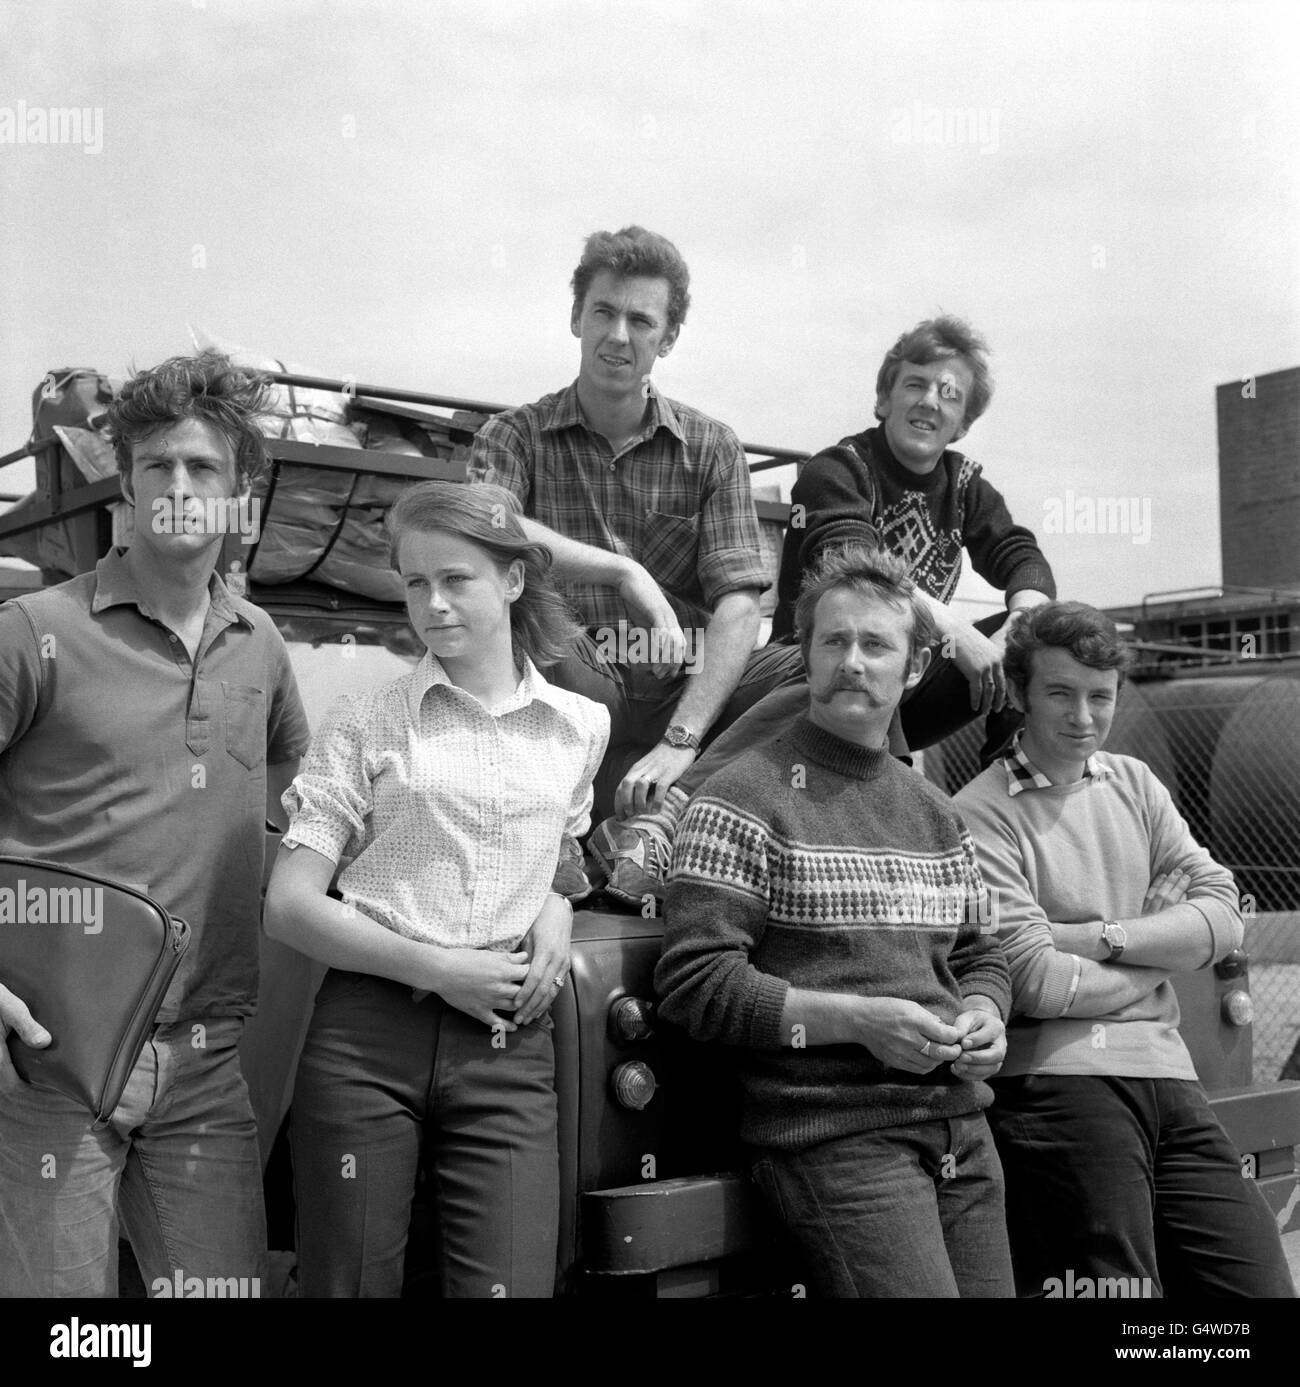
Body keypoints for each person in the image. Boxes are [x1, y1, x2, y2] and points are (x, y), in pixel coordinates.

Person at [0, 350, 311, 1297]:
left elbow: (300, 800)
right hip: (51, 1065)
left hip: (210, 1073)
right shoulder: (32, 632)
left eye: (204, 468)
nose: (179, 487)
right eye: (157, 468)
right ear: (126, 491)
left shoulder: (259, 645)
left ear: (237, 494)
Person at [264, 480, 609, 1298]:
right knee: (349, 1285)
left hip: (507, 1044)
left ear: (514, 581)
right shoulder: (367, 719)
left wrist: (557, 909)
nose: (433, 603)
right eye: (415, 583)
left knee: (516, 1284)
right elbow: (289, 904)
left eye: (456, 579)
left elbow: (555, 857)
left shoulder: (578, 726)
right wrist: (438, 967)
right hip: (365, 1036)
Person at [598, 315, 1056, 907]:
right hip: (806, 666)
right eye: (915, 384)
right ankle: (666, 820)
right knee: (850, 644)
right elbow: (852, 561)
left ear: (963, 421)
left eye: (950, 394)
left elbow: (1018, 551)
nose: (929, 402)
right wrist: (954, 629)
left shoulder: (966, 487)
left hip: (903, 680)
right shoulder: (837, 469)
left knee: (1039, 636)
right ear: (885, 396)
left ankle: (1014, 808)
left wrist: (1022, 618)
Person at [654, 546, 1015, 1298]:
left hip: (962, 1128)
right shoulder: (739, 798)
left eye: (876, 644)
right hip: (835, 1138)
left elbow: (982, 954)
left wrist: (985, 1012)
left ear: (913, 668)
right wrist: (858, 1021)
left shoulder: (937, 814)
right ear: (805, 658)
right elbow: (697, 985)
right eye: (834, 641)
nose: (853, 661)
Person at [954, 601, 1296, 1298]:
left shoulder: (1135, 782)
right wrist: (1167, 947)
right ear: (1021, 693)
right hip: (1058, 1087)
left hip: (1172, 1080)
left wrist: (1103, 937)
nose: (1083, 715)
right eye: (1061, 693)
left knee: (1261, 1289)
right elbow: (1040, 983)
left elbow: (1225, 914)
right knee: (1118, 1300)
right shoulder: (979, 811)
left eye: (1100, 696)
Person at [467, 225, 803, 894]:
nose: (618, 334)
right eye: (604, 311)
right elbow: (484, 521)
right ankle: (551, 832)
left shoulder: (711, 446)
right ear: (576, 317)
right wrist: (626, 572)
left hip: (688, 681)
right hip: (578, 671)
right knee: (521, 617)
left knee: (820, 664)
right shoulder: (515, 434)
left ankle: (665, 815)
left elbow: (740, 600)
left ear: (666, 338)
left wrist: (683, 737)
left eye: (640, 320)